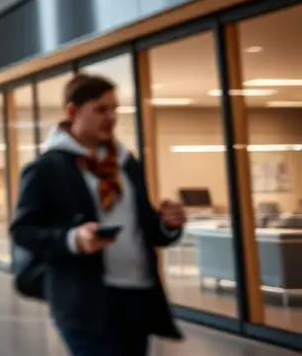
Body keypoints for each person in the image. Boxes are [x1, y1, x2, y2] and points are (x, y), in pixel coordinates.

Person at [11, 73, 188, 356]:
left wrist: (167, 224)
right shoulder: (48, 167)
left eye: (114, 109)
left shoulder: (126, 163)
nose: (111, 117)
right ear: (73, 111)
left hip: (137, 294)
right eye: (101, 109)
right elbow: (22, 231)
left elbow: (144, 226)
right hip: (84, 301)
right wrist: (73, 240)